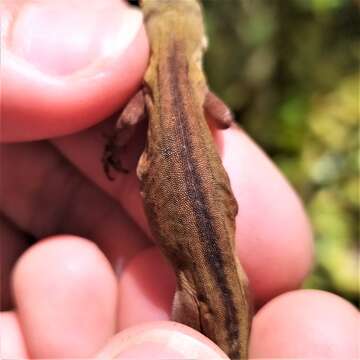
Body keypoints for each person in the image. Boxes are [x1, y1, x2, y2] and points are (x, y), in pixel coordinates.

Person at [1, 1, 358, 358]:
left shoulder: (149, 87)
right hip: (222, 271)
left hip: (196, 279)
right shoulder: (195, 84)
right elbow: (223, 118)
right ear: (198, 40)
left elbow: (126, 124)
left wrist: (113, 146)